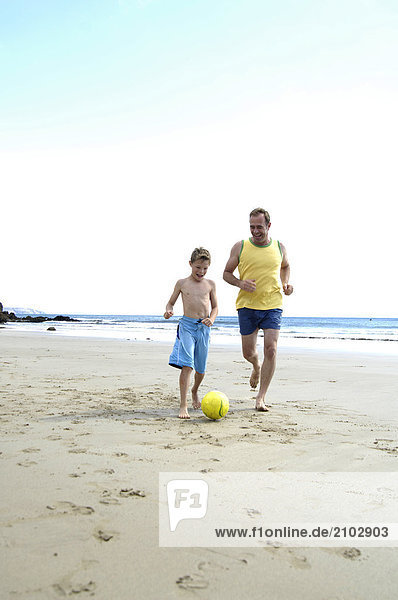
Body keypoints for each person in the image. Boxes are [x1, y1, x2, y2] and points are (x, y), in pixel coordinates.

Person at [223, 208, 293, 411]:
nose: (255, 231)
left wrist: (286, 283)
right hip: (247, 306)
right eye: (252, 227)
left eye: (259, 227)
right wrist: (240, 283)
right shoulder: (240, 247)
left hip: (273, 305)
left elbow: (286, 266)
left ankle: (260, 397)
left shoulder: (279, 247)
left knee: (271, 349)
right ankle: (256, 366)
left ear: (268, 226)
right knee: (248, 353)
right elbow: (226, 273)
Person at [164, 247, 218, 419]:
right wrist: (168, 311)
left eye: (205, 268)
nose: (201, 272)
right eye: (198, 267)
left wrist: (212, 319)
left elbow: (215, 307)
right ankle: (183, 405)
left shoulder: (210, 285)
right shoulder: (182, 283)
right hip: (187, 327)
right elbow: (170, 303)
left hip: (204, 328)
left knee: (200, 370)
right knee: (188, 365)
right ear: (190, 264)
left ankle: (194, 390)